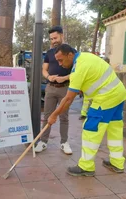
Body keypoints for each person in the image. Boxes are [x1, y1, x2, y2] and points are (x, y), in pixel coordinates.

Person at [48, 44, 126, 177]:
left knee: (91, 130)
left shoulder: (79, 68)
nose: (60, 64)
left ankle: (86, 166)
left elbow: (68, 99)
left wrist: (54, 115)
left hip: (105, 97)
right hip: (119, 94)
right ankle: (117, 162)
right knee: (115, 130)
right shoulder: (86, 56)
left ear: (70, 55)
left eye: (61, 60)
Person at [35, 25, 75, 155]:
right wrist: (48, 76)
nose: (53, 41)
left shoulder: (71, 52)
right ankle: (43, 141)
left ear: (62, 35)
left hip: (65, 89)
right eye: (51, 39)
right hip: (50, 88)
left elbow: (77, 72)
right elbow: (44, 69)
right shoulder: (49, 53)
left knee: (64, 117)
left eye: (55, 37)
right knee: (47, 116)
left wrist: (64, 78)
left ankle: (64, 142)